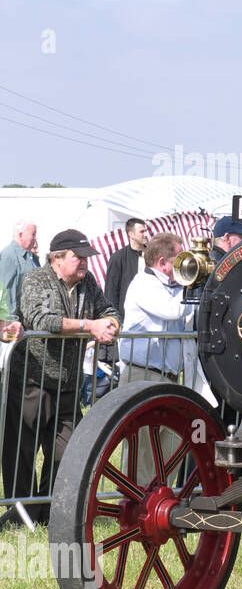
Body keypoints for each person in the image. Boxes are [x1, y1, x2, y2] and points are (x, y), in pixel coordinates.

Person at [3, 229, 119, 509]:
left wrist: (110, 325)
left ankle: (51, 511)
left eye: (86, 258)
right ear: (56, 259)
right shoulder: (36, 279)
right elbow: (42, 320)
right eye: (78, 258)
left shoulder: (88, 282)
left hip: (69, 383)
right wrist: (89, 326)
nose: (84, 263)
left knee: (68, 453)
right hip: (32, 380)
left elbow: (108, 310)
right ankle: (22, 515)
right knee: (22, 453)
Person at [120, 233, 194, 383]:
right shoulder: (143, 283)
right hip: (142, 374)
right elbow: (173, 310)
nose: (184, 265)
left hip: (166, 376)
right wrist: (193, 282)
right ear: (162, 262)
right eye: (179, 260)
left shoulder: (172, 285)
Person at [103, 217, 149, 311]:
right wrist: (115, 319)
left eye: (146, 231)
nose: (146, 234)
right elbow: (111, 292)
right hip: (127, 317)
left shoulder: (153, 255)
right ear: (131, 234)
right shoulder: (118, 258)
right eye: (142, 232)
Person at [0, 220, 38, 315]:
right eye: (33, 234)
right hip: (17, 323)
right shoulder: (9, 255)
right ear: (21, 235)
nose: (35, 238)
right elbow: (6, 292)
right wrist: (10, 321)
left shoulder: (32, 257)